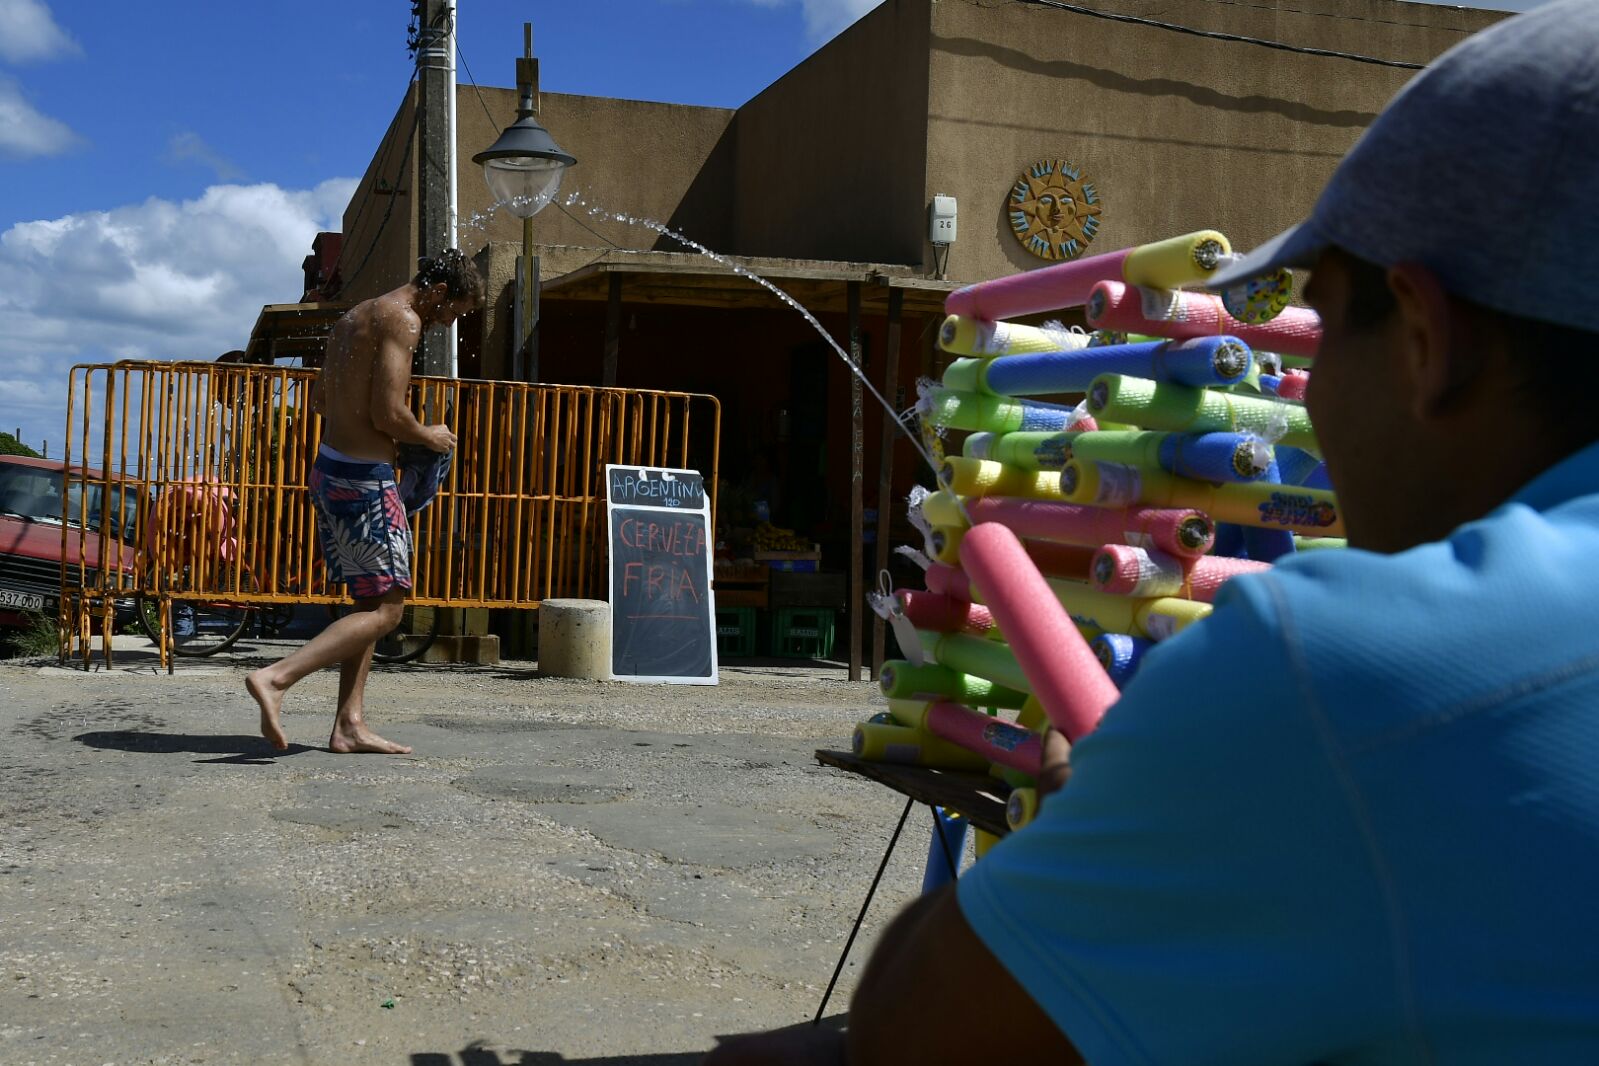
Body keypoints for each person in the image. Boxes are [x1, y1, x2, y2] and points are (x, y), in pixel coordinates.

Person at [704, 2, 1599, 1062]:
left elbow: (916, 1027)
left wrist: (1099, 809)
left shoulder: (1345, 667)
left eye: (1325, 322)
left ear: (1422, 334)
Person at [247, 250, 483, 755]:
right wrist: (429, 436)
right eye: (452, 311)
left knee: (369, 600)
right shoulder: (404, 317)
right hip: (364, 482)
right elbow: (389, 413)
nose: (448, 322)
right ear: (438, 291)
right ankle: (277, 678)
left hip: (330, 469)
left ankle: (349, 724)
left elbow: (320, 402)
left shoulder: (355, 315)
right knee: (390, 611)